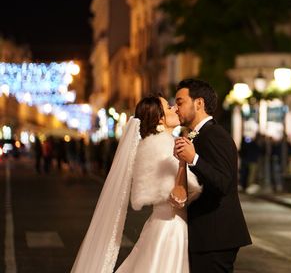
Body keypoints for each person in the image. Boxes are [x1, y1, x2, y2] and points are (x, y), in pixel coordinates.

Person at [72, 94, 201, 272]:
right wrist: (183, 163)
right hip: (169, 228)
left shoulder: (162, 144)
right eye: (169, 107)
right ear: (160, 118)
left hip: (165, 224)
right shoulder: (161, 147)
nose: (175, 108)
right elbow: (177, 197)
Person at [174, 78, 252, 273]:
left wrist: (194, 159)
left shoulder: (215, 135)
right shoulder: (198, 135)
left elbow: (223, 182)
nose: (176, 108)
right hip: (206, 235)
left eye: (180, 102)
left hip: (216, 236)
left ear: (198, 103)